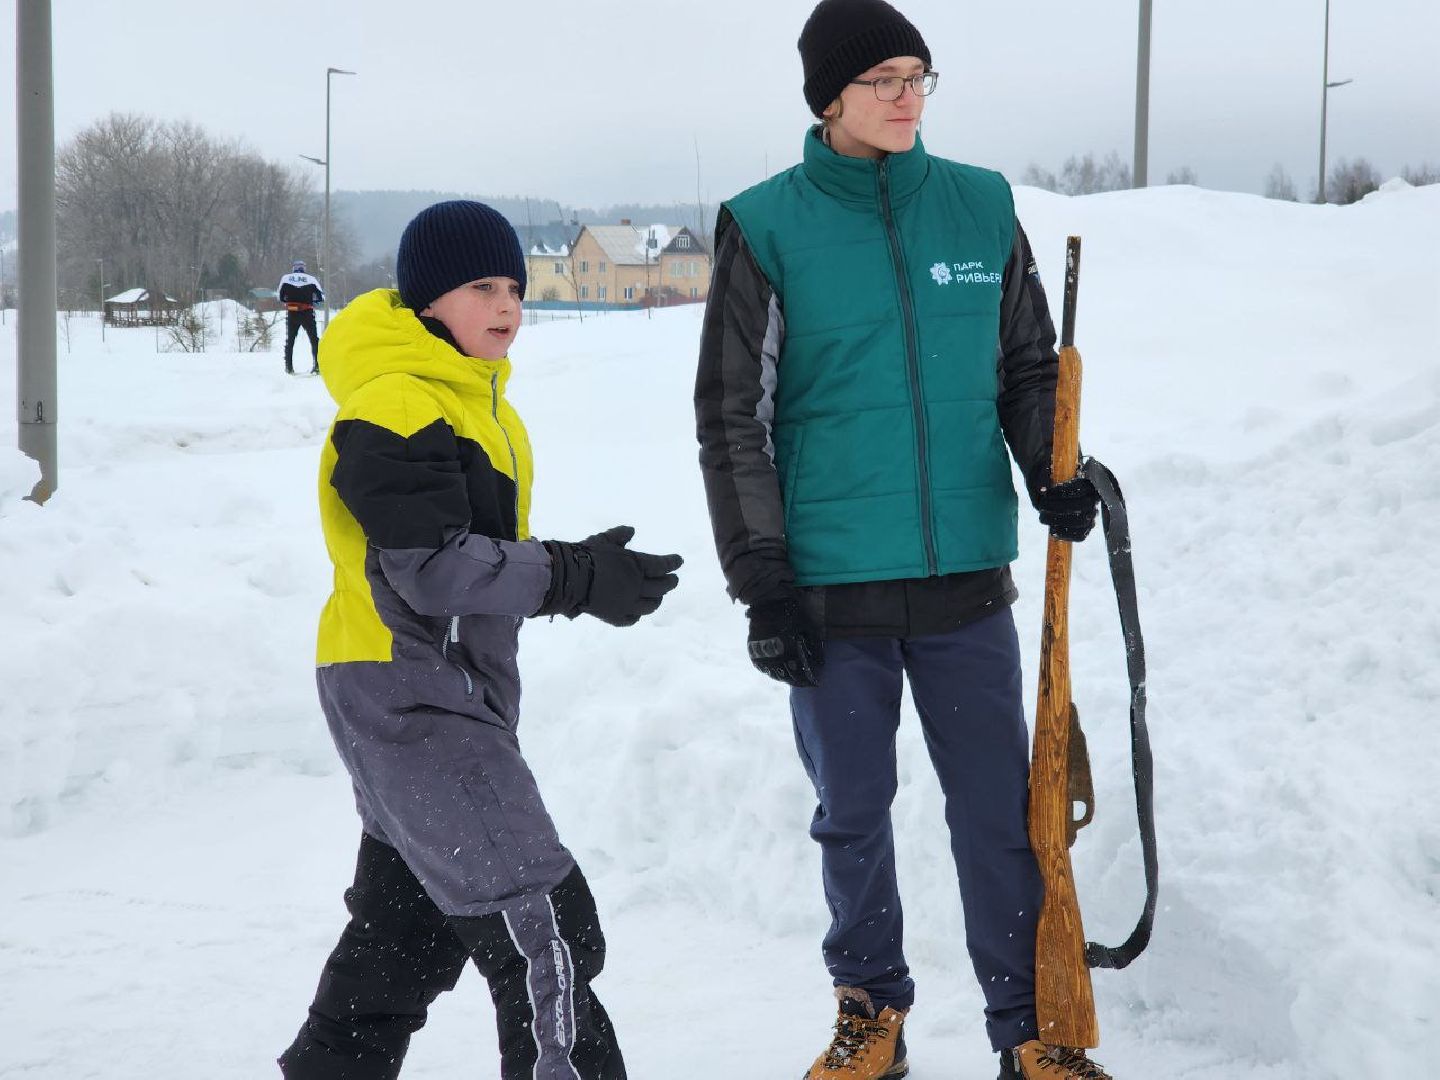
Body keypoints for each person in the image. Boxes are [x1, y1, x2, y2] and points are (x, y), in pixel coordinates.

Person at [693, 2, 1107, 1078]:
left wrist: (1055, 473)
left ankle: (1033, 1030)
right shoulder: (767, 223)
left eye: (919, 73)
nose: (906, 94)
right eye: (881, 77)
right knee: (853, 816)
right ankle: (870, 1008)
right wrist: (764, 586)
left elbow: (1025, 370)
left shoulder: (978, 208)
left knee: (999, 815)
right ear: (829, 96)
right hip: (832, 589)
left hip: (968, 579)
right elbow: (733, 413)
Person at [279, 200, 681, 1080]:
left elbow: (467, 556)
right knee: (545, 933)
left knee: (405, 930)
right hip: (412, 695)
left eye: (514, 287)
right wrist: (571, 576)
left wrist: (568, 570)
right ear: (426, 301)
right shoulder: (396, 404)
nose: (506, 305)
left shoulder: (465, 397)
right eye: (479, 286)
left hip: (419, 691)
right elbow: (430, 569)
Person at [278, 259, 325, 375]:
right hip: (307, 312)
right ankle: (317, 366)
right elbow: (321, 297)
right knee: (314, 340)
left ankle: (289, 367)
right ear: (304, 268)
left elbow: (280, 297)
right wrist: (313, 300)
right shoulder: (311, 279)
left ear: (293, 268)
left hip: (292, 312)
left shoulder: (285, 278)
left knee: (290, 340)